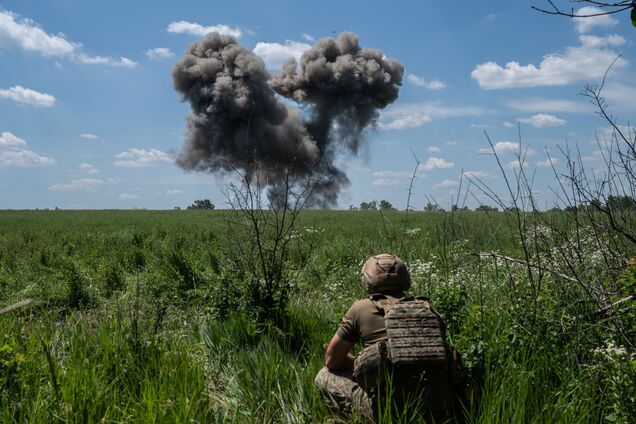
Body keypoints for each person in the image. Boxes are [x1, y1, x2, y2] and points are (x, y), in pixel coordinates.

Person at [315, 253, 466, 422]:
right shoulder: (428, 309)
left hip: (389, 412)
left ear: (367, 280)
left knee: (324, 375)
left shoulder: (360, 309)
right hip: (439, 411)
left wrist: (361, 363)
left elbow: (332, 360)